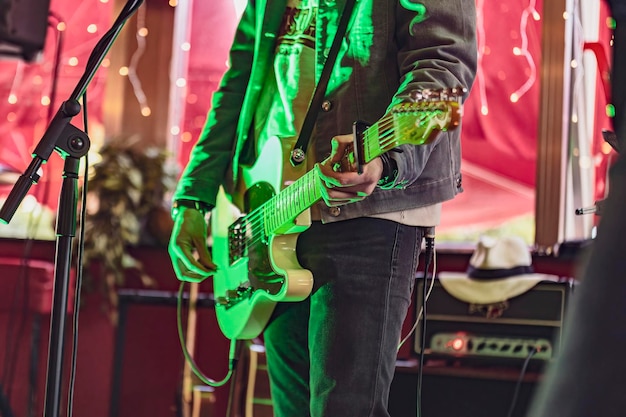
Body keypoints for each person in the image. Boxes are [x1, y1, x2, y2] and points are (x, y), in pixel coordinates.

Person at [168, 1, 477, 416]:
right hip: (269, 209)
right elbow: (241, 78)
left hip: (368, 212)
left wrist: (388, 159)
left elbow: (444, 68)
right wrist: (194, 197)